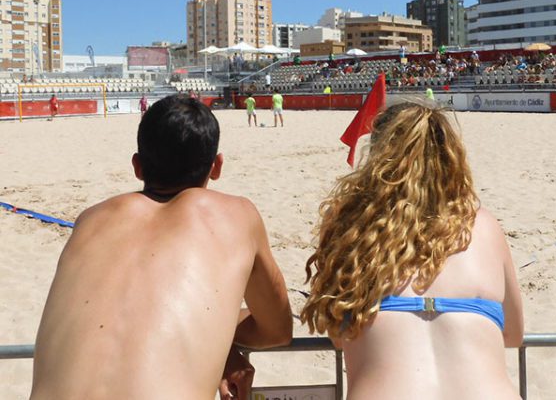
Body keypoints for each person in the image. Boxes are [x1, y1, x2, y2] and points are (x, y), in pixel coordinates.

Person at [31, 95, 293, 400]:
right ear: (217, 166)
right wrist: (215, 339)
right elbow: (277, 328)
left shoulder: (90, 219)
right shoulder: (238, 215)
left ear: (137, 166)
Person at [300, 102, 524, 399]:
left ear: (378, 156)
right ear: (449, 158)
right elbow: (514, 334)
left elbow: (340, 337)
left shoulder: (351, 226)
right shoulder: (483, 226)